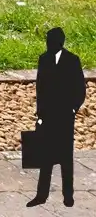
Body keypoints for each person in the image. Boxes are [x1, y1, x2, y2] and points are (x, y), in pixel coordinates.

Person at [30, 27, 85, 207]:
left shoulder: (72, 60)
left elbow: (80, 88)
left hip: (64, 116)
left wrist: (73, 109)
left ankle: (68, 196)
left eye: (50, 41)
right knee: (45, 158)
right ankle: (41, 195)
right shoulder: (44, 59)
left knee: (66, 159)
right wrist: (40, 113)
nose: (48, 44)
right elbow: (40, 88)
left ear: (59, 42)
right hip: (48, 115)